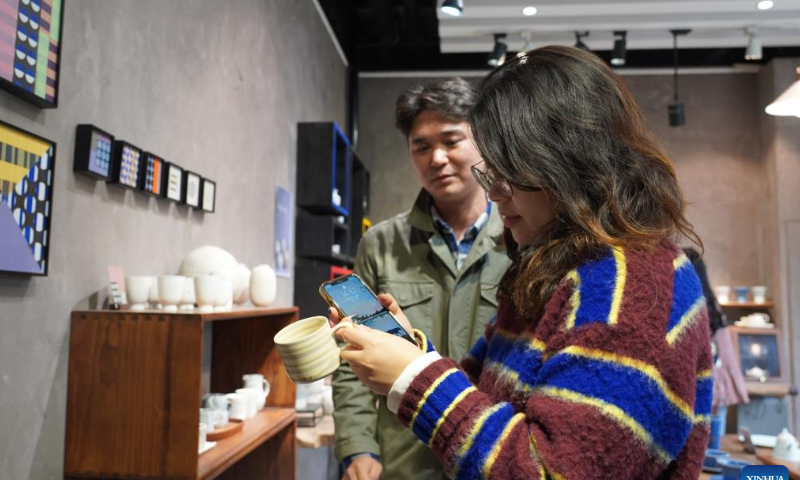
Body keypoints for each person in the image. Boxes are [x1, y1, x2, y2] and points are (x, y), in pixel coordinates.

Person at [333, 46, 713, 480]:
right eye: (491, 173)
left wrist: (415, 374)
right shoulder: (550, 261)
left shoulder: (633, 287)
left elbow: (551, 470)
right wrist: (412, 357)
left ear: (566, 161)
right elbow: (489, 387)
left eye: (507, 172)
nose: (495, 193)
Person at [332, 78, 511, 480]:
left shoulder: (521, 237)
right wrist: (357, 446)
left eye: (451, 141)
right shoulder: (381, 243)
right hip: (402, 460)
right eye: (422, 146)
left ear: (481, 142)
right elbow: (350, 356)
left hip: (490, 455)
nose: (437, 158)